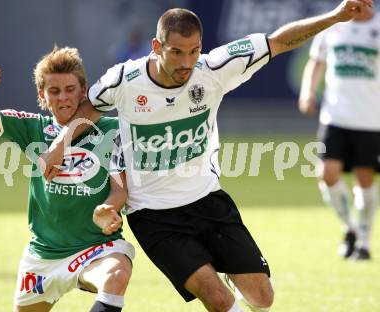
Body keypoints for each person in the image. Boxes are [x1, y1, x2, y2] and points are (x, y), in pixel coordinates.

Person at [44, 1, 374, 311]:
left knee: (262, 299)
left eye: (194, 51)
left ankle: (227, 268)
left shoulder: (215, 68)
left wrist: (335, 16)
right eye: (176, 52)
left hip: (208, 201)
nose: (186, 62)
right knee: (217, 299)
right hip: (154, 215)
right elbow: (90, 108)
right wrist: (60, 145)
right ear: (157, 47)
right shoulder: (125, 80)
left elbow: (278, 42)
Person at [0, 47, 135, 312]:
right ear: (42, 95)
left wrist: (108, 208)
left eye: (70, 89)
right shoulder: (33, 128)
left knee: (116, 275)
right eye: (54, 91)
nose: (63, 97)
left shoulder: (110, 130)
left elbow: (119, 190)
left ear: (84, 90)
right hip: (44, 255)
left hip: (96, 248)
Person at [298, 4, 379, 261]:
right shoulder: (332, 24)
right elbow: (316, 61)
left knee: (365, 179)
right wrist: (307, 92)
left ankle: (364, 241)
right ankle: (350, 228)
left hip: (370, 119)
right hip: (335, 116)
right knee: (327, 173)